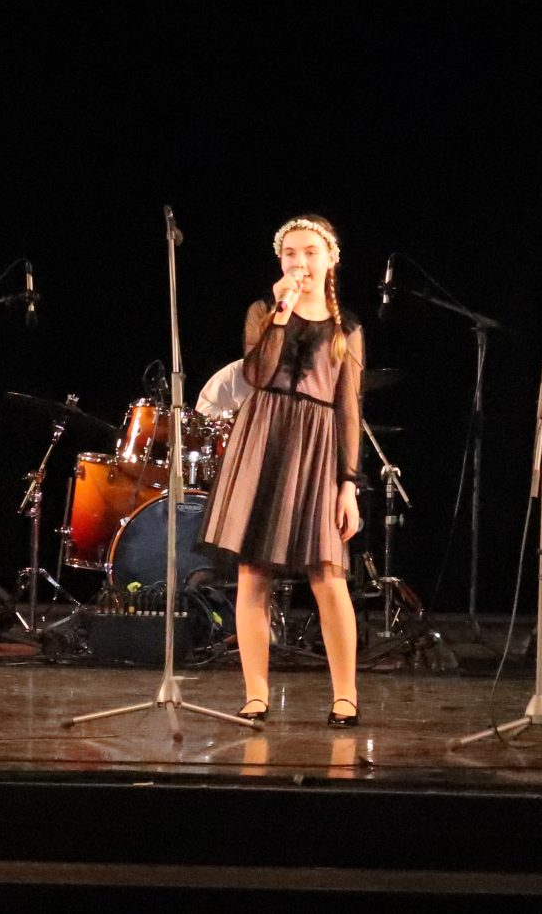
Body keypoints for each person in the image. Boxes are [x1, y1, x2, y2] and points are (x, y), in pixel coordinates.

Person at [200, 215, 366, 726]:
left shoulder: (346, 328)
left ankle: (345, 696)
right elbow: (257, 374)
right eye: (291, 253)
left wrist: (348, 484)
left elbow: (349, 409)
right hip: (262, 441)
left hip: (316, 450)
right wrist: (281, 314)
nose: (300, 262)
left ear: (331, 259)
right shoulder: (263, 312)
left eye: (311, 252)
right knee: (253, 574)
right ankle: (256, 694)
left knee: (328, 575)